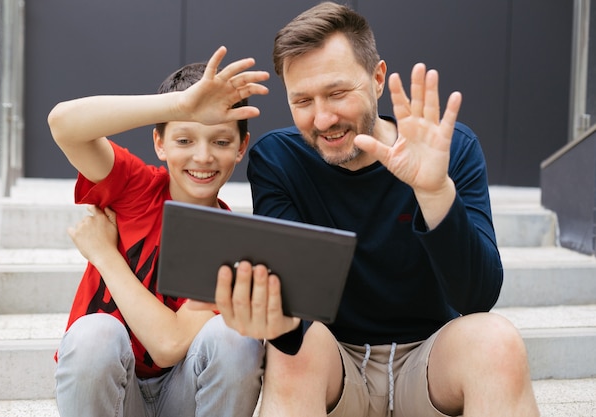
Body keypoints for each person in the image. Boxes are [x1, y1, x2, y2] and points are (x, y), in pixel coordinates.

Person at [193, 3, 541, 417]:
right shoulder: (279, 160)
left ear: (376, 79)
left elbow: (478, 296)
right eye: (302, 100)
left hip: (430, 364)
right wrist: (272, 320)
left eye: (338, 93)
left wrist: (433, 192)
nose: (322, 118)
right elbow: (293, 303)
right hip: (336, 366)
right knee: (291, 353)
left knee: (497, 340)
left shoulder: (449, 150)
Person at [47, 46, 269, 417]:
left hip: (184, 395)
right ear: (159, 143)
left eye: (220, 141)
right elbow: (63, 124)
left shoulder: (233, 244)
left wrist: (105, 256)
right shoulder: (136, 188)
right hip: (112, 390)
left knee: (236, 337)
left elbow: (168, 344)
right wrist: (180, 106)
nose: (202, 157)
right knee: (94, 334)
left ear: (241, 148)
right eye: (184, 140)